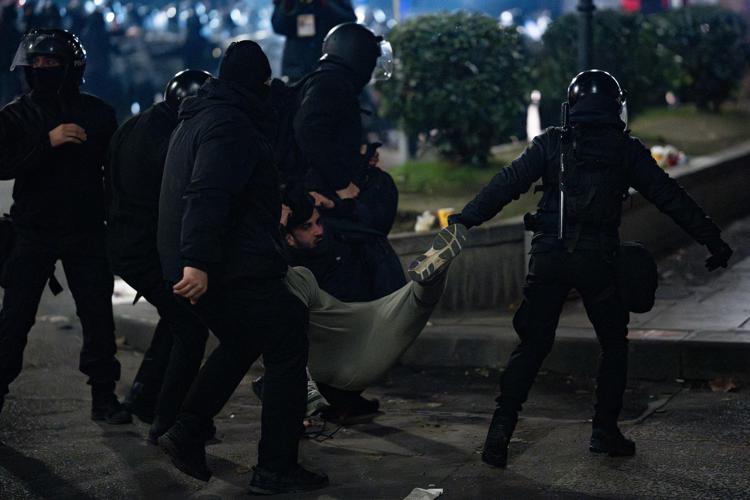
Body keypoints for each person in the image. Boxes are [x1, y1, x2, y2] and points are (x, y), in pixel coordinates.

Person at [448, 70, 734, 468]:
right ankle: (604, 431)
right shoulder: (625, 150)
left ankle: (500, 433)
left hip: (548, 257)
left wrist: (465, 219)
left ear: (572, 105)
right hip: (598, 262)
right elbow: (670, 196)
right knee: (614, 345)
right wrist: (712, 239)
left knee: (532, 345)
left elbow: (505, 184)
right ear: (616, 107)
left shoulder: (552, 143)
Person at [156, 40, 327, 494]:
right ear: (259, 85)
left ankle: (188, 430)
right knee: (288, 334)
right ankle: (275, 467)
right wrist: (197, 262)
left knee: (244, 338)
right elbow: (208, 192)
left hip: (217, 257)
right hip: (227, 262)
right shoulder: (230, 124)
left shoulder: (204, 116)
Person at [0, 29, 129, 424]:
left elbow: (115, 175)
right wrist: (47, 142)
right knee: (14, 321)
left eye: (52, 63)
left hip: (86, 230)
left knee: (97, 318)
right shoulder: (15, 115)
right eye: (37, 63)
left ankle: (104, 396)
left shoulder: (98, 113)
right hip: (31, 230)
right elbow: (4, 166)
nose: (43, 69)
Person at [106, 70, 211, 433]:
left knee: (175, 317)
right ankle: (167, 420)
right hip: (145, 249)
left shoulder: (141, 123)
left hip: (125, 242)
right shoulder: (173, 137)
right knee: (189, 326)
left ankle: (144, 396)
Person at [271, 0, 356, 83]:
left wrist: (323, 3)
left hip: (330, 67)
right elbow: (278, 26)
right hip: (297, 70)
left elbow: (349, 20)